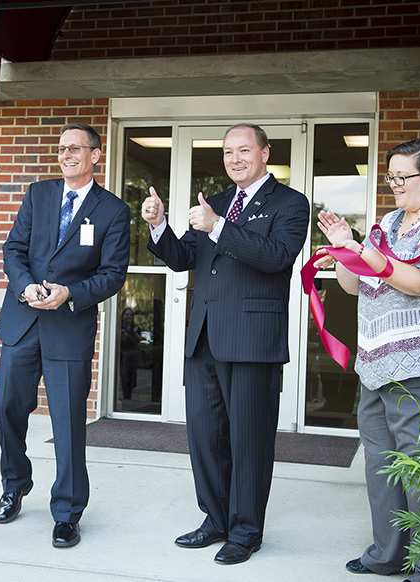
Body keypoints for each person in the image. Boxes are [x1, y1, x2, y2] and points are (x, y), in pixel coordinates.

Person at [140, 123, 310, 565]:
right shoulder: (214, 202)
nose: (235, 159)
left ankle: (246, 531)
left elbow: (276, 257)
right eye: (228, 152)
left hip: (253, 340)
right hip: (204, 340)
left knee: (249, 440)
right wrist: (159, 226)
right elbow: (184, 260)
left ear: (265, 153)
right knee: (206, 436)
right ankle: (215, 519)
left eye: (244, 150)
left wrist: (219, 228)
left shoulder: (290, 204)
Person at [314, 138, 420, 582]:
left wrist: (367, 254)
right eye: (390, 177)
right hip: (379, 364)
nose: (394, 185)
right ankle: (388, 554)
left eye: (403, 177)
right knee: (382, 463)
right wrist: (344, 249)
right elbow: (354, 285)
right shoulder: (388, 222)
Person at [0, 122, 130, 548]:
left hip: (69, 326)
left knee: (68, 424)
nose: (66, 155)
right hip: (24, 320)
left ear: (95, 155)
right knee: (5, 406)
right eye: (61, 149)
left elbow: (112, 275)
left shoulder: (113, 210)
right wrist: (24, 285)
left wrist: (71, 293)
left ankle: (67, 511)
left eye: (75, 148)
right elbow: (13, 249)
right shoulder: (39, 194)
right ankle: (16, 482)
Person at [119, 307, 143, 400]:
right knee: (124, 377)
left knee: (132, 378)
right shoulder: (119, 327)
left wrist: (134, 332)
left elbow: (139, 340)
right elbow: (119, 340)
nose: (128, 316)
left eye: (130, 315)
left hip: (133, 357)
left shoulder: (136, 327)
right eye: (126, 314)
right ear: (123, 316)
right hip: (123, 356)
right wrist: (126, 333)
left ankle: (130, 397)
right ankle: (125, 397)